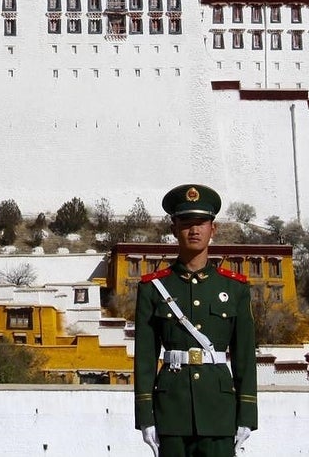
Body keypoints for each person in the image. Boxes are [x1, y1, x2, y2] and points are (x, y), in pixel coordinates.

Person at [133, 184, 257, 457]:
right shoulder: (153, 288)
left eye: (201, 223)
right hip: (171, 410)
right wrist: (145, 414)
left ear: (214, 229)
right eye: (186, 223)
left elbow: (245, 356)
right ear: (173, 228)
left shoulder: (235, 288)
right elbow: (144, 357)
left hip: (219, 411)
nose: (194, 230)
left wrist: (247, 412)